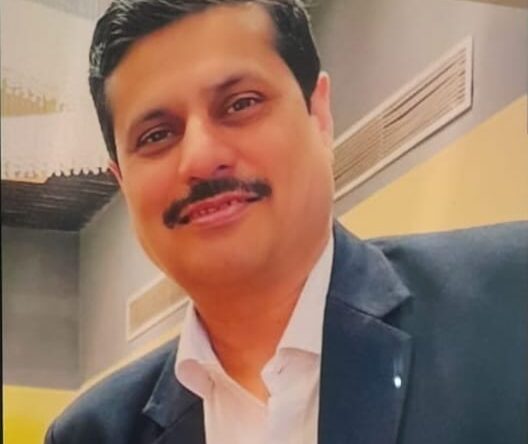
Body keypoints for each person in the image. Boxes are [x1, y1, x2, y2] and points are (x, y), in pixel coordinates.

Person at [45, 1, 527, 443]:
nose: (200, 157)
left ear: (319, 113)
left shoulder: (509, 304)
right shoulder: (92, 434)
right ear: (122, 180)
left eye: (240, 104)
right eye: (156, 135)